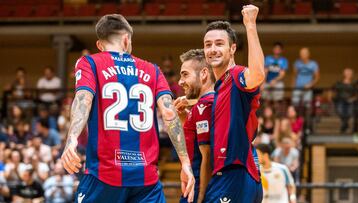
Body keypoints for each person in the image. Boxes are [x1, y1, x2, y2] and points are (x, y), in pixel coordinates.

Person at [61, 14, 195, 203]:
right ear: (126, 39)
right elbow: (169, 113)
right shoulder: (153, 70)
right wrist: (185, 163)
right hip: (145, 180)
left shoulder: (89, 63)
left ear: (99, 45)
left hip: (104, 175)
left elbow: (83, 100)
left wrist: (72, 139)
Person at [202, 5, 265, 202]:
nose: (212, 49)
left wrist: (250, 25)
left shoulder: (236, 75)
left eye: (219, 44)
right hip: (235, 173)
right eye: (208, 44)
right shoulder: (220, 87)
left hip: (234, 172)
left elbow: (257, 74)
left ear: (232, 48)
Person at [174, 49, 214, 203]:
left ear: (203, 74)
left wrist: (201, 196)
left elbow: (207, 155)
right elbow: (193, 142)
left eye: (185, 74)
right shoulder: (200, 106)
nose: (180, 81)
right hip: (194, 183)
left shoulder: (205, 105)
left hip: (198, 186)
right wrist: (185, 118)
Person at [332, 68, 357, 134]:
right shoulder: (338, 83)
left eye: (350, 73)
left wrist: (352, 99)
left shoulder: (354, 84)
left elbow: (357, 94)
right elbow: (332, 90)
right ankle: (345, 124)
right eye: (347, 73)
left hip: (350, 101)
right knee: (340, 112)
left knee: (349, 113)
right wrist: (331, 98)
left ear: (352, 75)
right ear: (344, 74)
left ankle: (344, 125)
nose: (348, 74)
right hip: (339, 100)